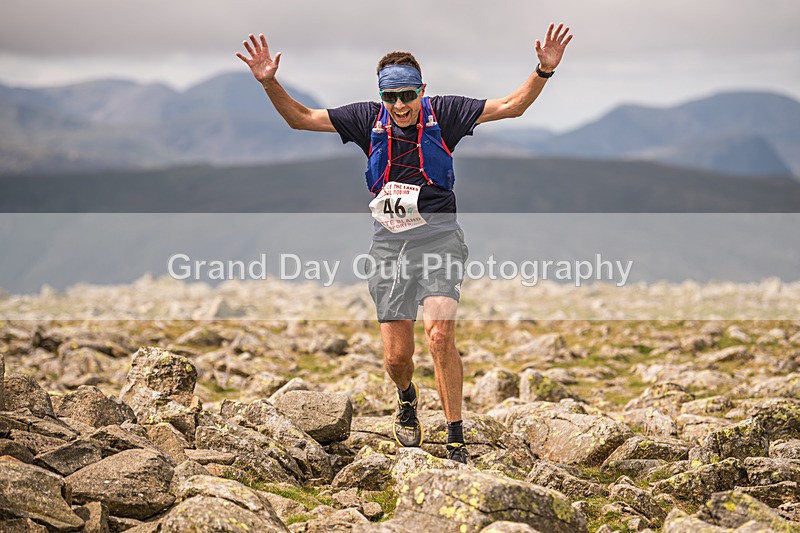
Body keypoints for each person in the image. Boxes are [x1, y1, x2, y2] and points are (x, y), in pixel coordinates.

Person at [237, 24, 572, 464]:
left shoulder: (446, 113)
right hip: (389, 248)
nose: (399, 105)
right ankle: (407, 396)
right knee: (397, 358)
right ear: (381, 96)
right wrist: (269, 82)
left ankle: (455, 439)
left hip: (440, 240)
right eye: (390, 97)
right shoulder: (365, 119)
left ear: (421, 91)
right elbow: (300, 118)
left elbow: (512, 106)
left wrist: (543, 71)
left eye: (407, 95)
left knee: (440, 334)